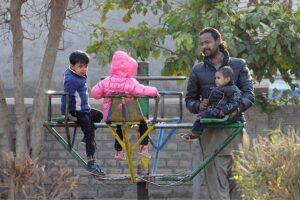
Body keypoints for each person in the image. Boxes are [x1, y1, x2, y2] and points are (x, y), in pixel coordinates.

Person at [185, 28, 254, 200]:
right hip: (211, 133)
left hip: (235, 130)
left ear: (218, 41)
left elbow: (249, 95)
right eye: (201, 44)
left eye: (207, 42)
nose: (204, 46)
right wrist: (199, 105)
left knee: (239, 184)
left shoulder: (238, 65)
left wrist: (236, 110)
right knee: (217, 187)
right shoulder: (198, 70)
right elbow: (190, 100)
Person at [91, 49, 160, 161]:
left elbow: (95, 93)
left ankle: (118, 151)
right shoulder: (130, 82)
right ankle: (143, 147)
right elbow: (143, 90)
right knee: (143, 123)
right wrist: (155, 92)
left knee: (119, 125)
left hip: (110, 116)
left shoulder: (106, 82)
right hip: (130, 115)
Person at [61, 50, 105, 176]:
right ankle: (91, 162)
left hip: (85, 109)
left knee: (99, 115)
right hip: (78, 111)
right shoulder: (71, 80)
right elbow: (66, 97)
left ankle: (86, 137)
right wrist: (65, 113)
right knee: (91, 135)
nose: (84, 69)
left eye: (86, 66)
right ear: (72, 66)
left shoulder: (78, 75)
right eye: (80, 67)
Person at [181, 66, 242, 141]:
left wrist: (224, 110)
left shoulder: (233, 89)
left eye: (218, 78)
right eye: (215, 78)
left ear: (227, 79)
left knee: (201, 119)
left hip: (221, 113)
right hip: (215, 111)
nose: (216, 80)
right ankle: (195, 133)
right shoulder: (218, 88)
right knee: (201, 116)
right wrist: (207, 101)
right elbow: (215, 100)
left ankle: (194, 134)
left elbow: (235, 102)